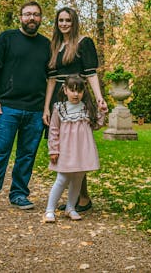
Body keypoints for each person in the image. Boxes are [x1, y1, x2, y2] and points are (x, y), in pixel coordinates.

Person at [0, 1, 51, 214]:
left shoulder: (47, 45)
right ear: (20, 17)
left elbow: (51, 79)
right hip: (7, 108)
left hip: (35, 109)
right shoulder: (6, 38)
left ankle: (19, 194)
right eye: (27, 14)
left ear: (41, 18)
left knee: (27, 154)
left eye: (35, 14)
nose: (31, 18)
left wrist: (46, 108)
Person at [43, 6, 107, 213]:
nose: (64, 24)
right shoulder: (55, 46)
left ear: (74, 22)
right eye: (60, 20)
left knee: (78, 146)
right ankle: (76, 197)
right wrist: (46, 108)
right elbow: (51, 80)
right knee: (64, 146)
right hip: (58, 100)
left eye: (68, 20)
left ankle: (83, 197)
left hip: (77, 96)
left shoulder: (83, 43)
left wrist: (99, 98)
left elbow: (91, 74)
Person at [43, 74, 106, 222]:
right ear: (65, 90)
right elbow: (53, 130)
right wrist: (53, 149)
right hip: (66, 151)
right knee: (62, 178)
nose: (76, 94)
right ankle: (49, 210)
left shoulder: (86, 108)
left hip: (82, 151)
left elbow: (96, 125)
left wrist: (102, 111)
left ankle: (70, 208)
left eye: (79, 90)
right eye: (72, 90)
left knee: (78, 179)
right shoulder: (59, 108)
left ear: (83, 92)